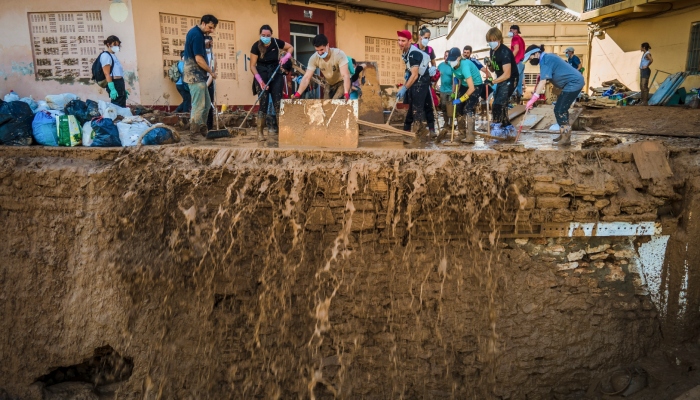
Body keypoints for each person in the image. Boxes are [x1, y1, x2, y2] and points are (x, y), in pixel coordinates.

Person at [524, 44, 585, 146]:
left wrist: (533, 98)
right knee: (561, 109)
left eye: (530, 58)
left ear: (536, 53)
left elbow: (543, 81)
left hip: (573, 83)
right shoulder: (547, 58)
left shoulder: (546, 60)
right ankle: (564, 135)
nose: (530, 60)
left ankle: (565, 138)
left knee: (559, 109)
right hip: (572, 83)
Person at [250, 25, 293, 140]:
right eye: (263, 35)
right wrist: (260, 81)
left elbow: (290, 47)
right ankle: (260, 134)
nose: (266, 37)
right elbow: (252, 66)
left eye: (268, 35)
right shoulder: (255, 46)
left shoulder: (276, 42)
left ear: (271, 35)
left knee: (278, 103)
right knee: (263, 104)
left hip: (275, 74)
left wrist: (286, 57)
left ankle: (282, 133)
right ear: (260, 35)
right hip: (261, 74)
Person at [395, 30, 434, 139]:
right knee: (413, 105)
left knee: (417, 107)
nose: (400, 43)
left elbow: (415, 75)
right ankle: (410, 130)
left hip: (422, 79)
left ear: (410, 41)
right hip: (417, 76)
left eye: (403, 41)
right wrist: (408, 72)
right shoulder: (405, 51)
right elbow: (411, 69)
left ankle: (419, 133)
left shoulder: (413, 53)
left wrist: (404, 88)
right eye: (399, 40)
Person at [183, 14, 218, 137]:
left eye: (213, 28)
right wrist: (211, 72)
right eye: (210, 27)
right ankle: (194, 132)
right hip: (194, 74)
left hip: (198, 75)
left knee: (207, 104)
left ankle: (202, 128)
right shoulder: (197, 35)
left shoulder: (196, 33)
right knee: (198, 105)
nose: (211, 31)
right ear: (203, 23)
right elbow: (199, 59)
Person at [293, 34, 351, 101]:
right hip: (329, 83)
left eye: (322, 50)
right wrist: (298, 94)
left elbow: (345, 75)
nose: (320, 53)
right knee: (326, 105)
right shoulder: (314, 58)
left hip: (342, 82)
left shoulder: (339, 54)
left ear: (327, 45)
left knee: (336, 102)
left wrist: (346, 93)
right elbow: (306, 77)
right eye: (317, 50)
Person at [485, 27, 519, 137]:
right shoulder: (492, 51)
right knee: (500, 103)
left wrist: (493, 82)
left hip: (510, 79)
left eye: (493, 40)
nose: (491, 43)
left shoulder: (505, 52)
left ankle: (497, 127)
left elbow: (507, 74)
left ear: (499, 39)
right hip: (500, 78)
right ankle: (507, 127)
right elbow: (493, 70)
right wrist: (489, 64)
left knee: (498, 103)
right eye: (489, 40)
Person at [446, 47, 483, 144]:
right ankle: (462, 133)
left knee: (468, 108)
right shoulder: (451, 64)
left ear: (459, 58)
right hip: (464, 84)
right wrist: (454, 92)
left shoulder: (465, 66)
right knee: (458, 108)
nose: (451, 62)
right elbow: (456, 77)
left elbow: (472, 88)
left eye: (453, 59)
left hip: (476, 85)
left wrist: (461, 99)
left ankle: (470, 135)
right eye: (450, 60)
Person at [100, 35, 128, 108]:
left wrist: (122, 89)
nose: (117, 47)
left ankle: (121, 118)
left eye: (118, 45)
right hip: (114, 83)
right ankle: (117, 119)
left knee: (122, 104)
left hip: (119, 82)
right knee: (117, 105)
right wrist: (112, 88)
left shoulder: (113, 55)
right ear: (108, 44)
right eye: (114, 45)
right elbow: (106, 73)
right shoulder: (106, 56)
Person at [508, 25, 526, 102]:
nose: (510, 32)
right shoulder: (520, 38)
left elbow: (516, 49)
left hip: (517, 62)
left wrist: (510, 59)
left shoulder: (515, 38)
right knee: (519, 80)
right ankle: (519, 96)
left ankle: (513, 96)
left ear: (516, 30)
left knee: (514, 79)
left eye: (511, 30)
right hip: (522, 62)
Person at [437, 51, 454, 129]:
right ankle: (446, 122)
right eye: (446, 55)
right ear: (444, 56)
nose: (447, 57)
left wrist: (454, 91)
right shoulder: (440, 66)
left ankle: (451, 123)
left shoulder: (453, 66)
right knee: (443, 107)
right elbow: (436, 76)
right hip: (443, 90)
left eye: (448, 56)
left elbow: (455, 79)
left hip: (451, 90)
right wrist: (436, 86)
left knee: (450, 107)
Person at [205, 36, 216, 130]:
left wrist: (206, 85)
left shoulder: (212, 56)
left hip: (209, 81)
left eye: (210, 43)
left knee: (209, 105)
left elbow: (212, 73)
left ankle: (209, 127)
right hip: (199, 80)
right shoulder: (199, 55)